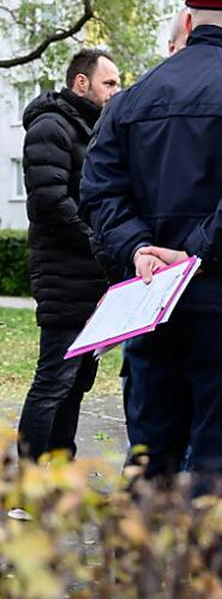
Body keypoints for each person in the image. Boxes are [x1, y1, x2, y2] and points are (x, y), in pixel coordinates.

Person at [80, 0, 222, 597]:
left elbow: (99, 194)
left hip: (151, 311)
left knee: (151, 458)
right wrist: (196, 253)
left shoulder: (131, 99)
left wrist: (138, 250)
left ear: (189, 20)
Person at [14, 49, 120, 475]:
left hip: (91, 279)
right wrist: (100, 243)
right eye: (109, 83)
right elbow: (51, 201)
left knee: (77, 383)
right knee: (54, 381)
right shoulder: (50, 127)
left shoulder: (90, 130)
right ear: (82, 83)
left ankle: (58, 474)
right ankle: (26, 482)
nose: (116, 91)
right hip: (64, 277)